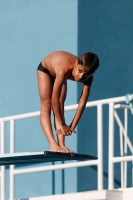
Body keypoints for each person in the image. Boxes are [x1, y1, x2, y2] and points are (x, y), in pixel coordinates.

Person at [37, 51, 99, 153]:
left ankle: (61, 145)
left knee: (61, 104)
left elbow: (82, 103)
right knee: (47, 105)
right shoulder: (64, 69)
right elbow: (54, 99)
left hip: (61, 72)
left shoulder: (89, 78)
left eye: (86, 75)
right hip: (46, 70)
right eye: (80, 71)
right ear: (76, 64)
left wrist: (72, 126)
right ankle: (53, 144)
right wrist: (62, 124)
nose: (81, 77)